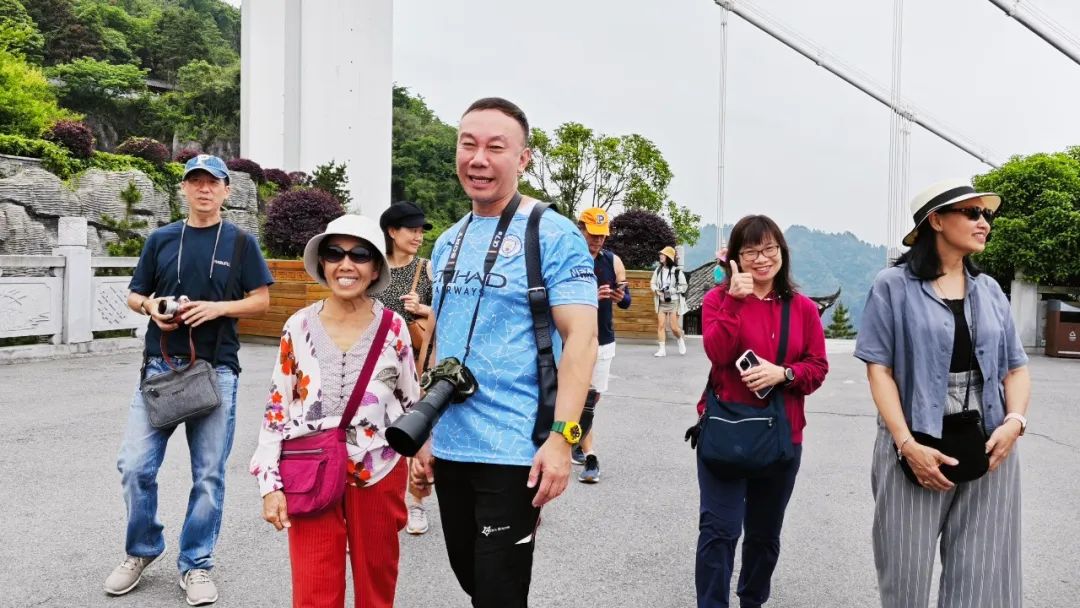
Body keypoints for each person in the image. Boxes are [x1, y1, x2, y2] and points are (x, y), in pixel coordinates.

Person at [411, 97, 598, 607]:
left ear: (523, 158)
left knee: (498, 591)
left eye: (496, 147)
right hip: (449, 443)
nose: (479, 158)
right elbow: (438, 340)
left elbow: (582, 339)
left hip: (516, 447)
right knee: (470, 575)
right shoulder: (448, 241)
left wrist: (564, 439)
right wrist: (422, 429)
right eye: (468, 144)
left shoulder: (554, 236)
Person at [105, 154, 273, 606]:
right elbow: (135, 295)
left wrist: (218, 308)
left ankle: (196, 564)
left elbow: (260, 301)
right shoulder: (161, 239)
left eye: (212, 182)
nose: (203, 189)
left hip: (216, 370)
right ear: (183, 188)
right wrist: (152, 308)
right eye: (195, 181)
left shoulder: (240, 243)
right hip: (160, 368)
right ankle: (142, 549)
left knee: (209, 476)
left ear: (225, 191)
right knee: (135, 466)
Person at [855, 179, 1031, 608]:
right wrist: (906, 443)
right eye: (971, 213)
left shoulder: (990, 291)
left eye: (986, 214)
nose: (984, 222)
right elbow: (880, 370)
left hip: (991, 440)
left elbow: (1016, 368)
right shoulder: (892, 286)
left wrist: (1015, 422)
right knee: (905, 576)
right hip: (916, 437)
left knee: (984, 578)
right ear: (935, 220)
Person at [250, 214, 421, 608]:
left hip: (377, 468)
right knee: (313, 590)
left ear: (375, 266)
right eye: (335, 254)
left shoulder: (394, 327)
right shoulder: (297, 326)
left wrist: (424, 462)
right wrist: (269, 483)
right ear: (323, 263)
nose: (347, 265)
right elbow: (278, 407)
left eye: (360, 255)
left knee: (376, 582)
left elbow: (411, 402)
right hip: (310, 468)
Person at [696, 214, 828, 608]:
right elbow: (718, 354)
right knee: (719, 531)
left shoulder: (802, 308)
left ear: (782, 253)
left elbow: (817, 368)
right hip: (724, 431)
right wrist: (735, 302)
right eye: (751, 250)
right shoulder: (716, 301)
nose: (761, 258)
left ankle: (752, 600)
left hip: (782, 435)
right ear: (734, 258)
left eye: (769, 248)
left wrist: (783, 373)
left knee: (764, 534)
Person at [376, 200, 436, 535]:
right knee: (377, 432)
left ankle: (416, 504)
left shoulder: (426, 269)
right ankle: (380, 500)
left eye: (420, 230)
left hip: (416, 364)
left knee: (417, 430)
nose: (418, 236)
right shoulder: (374, 267)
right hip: (376, 364)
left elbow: (445, 314)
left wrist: (422, 308)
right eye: (411, 230)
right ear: (392, 231)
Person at [572, 207, 631, 483]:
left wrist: (620, 297)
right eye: (592, 235)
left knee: (593, 398)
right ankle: (590, 455)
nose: (597, 241)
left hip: (604, 339)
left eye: (602, 236)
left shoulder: (613, 261)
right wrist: (589, 296)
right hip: (574, 338)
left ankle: (577, 438)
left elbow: (627, 300)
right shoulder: (569, 259)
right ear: (581, 229)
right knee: (583, 400)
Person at [651, 246, 688, 357]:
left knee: (673, 327)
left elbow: (684, 286)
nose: (660, 256)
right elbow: (652, 283)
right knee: (661, 325)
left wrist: (673, 290)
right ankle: (662, 349)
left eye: (663, 254)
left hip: (674, 302)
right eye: (661, 254)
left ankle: (680, 339)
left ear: (668, 257)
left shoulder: (677, 272)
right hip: (662, 302)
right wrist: (656, 291)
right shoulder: (658, 270)